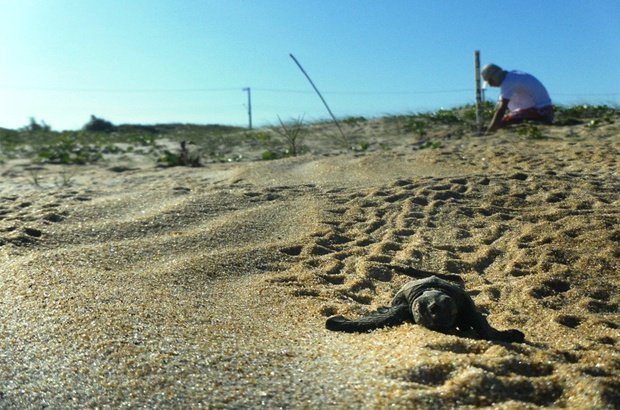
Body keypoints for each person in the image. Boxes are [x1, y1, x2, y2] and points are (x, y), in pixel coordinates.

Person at [482, 64, 553, 134]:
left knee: (503, 123)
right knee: (503, 119)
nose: (491, 85)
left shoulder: (509, 81)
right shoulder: (512, 76)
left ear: (495, 76)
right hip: (545, 111)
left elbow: (502, 107)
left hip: (540, 112)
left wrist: (490, 130)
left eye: (490, 81)